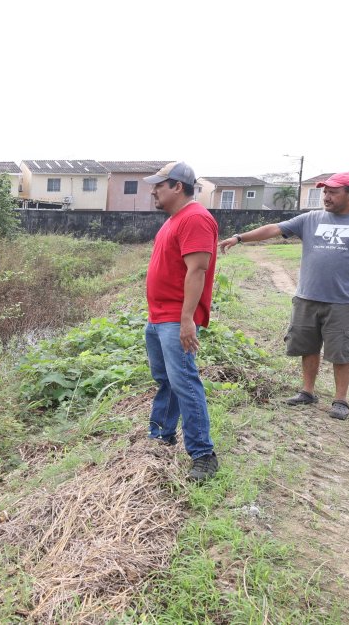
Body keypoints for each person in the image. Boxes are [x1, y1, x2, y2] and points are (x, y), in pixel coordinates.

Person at [217, 172, 349, 420]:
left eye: (333, 192)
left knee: (342, 351)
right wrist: (239, 238)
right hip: (307, 297)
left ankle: (340, 400)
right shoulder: (312, 218)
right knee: (308, 346)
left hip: (343, 301)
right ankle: (307, 391)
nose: (326, 197)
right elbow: (274, 228)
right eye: (325, 191)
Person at [143, 161, 219, 482]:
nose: (153, 190)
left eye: (159, 185)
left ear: (177, 186)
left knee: (185, 382)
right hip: (159, 317)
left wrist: (187, 318)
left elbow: (197, 270)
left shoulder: (196, 218)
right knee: (167, 379)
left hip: (177, 318)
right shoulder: (174, 220)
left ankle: (203, 454)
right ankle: (161, 434)